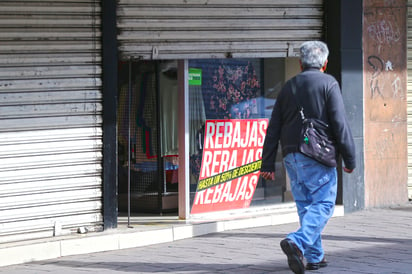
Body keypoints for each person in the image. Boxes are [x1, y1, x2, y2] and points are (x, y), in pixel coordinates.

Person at [260, 41, 356, 274]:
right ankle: (297, 241)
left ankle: (315, 257)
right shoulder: (328, 83)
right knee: (323, 203)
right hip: (317, 155)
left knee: (306, 205)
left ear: (301, 63)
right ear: (324, 63)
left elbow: (273, 127)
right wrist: (350, 158)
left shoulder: (288, 86)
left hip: (292, 156)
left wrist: (268, 162)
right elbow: (340, 124)